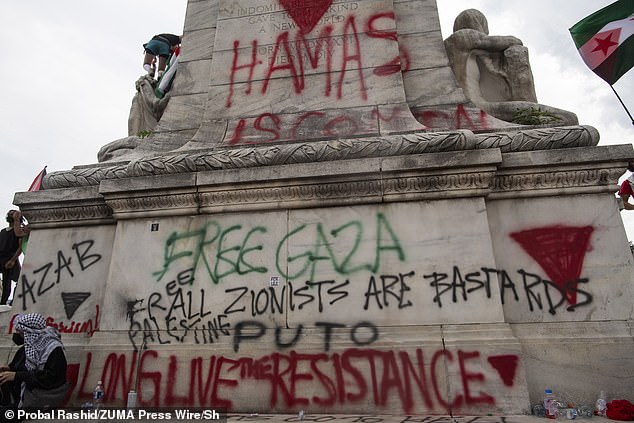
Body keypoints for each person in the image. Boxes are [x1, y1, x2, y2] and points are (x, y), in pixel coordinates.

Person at [0, 314, 68, 410]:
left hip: (40, 397)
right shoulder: (27, 347)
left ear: (28, 333)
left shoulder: (53, 349)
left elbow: (50, 378)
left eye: (19, 332)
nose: (16, 334)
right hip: (19, 397)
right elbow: (19, 367)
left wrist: (16, 375)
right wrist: (8, 370)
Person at [0, 211, 26, 305]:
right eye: (11, 213)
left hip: (10, 258)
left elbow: (20, 247)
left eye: (13, 213)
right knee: (5, 282)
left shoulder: (19, 230)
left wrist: (12, 260)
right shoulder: (3, 231)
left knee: (15, 281)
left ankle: (7, 303)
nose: (12, 214)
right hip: (1, 257)